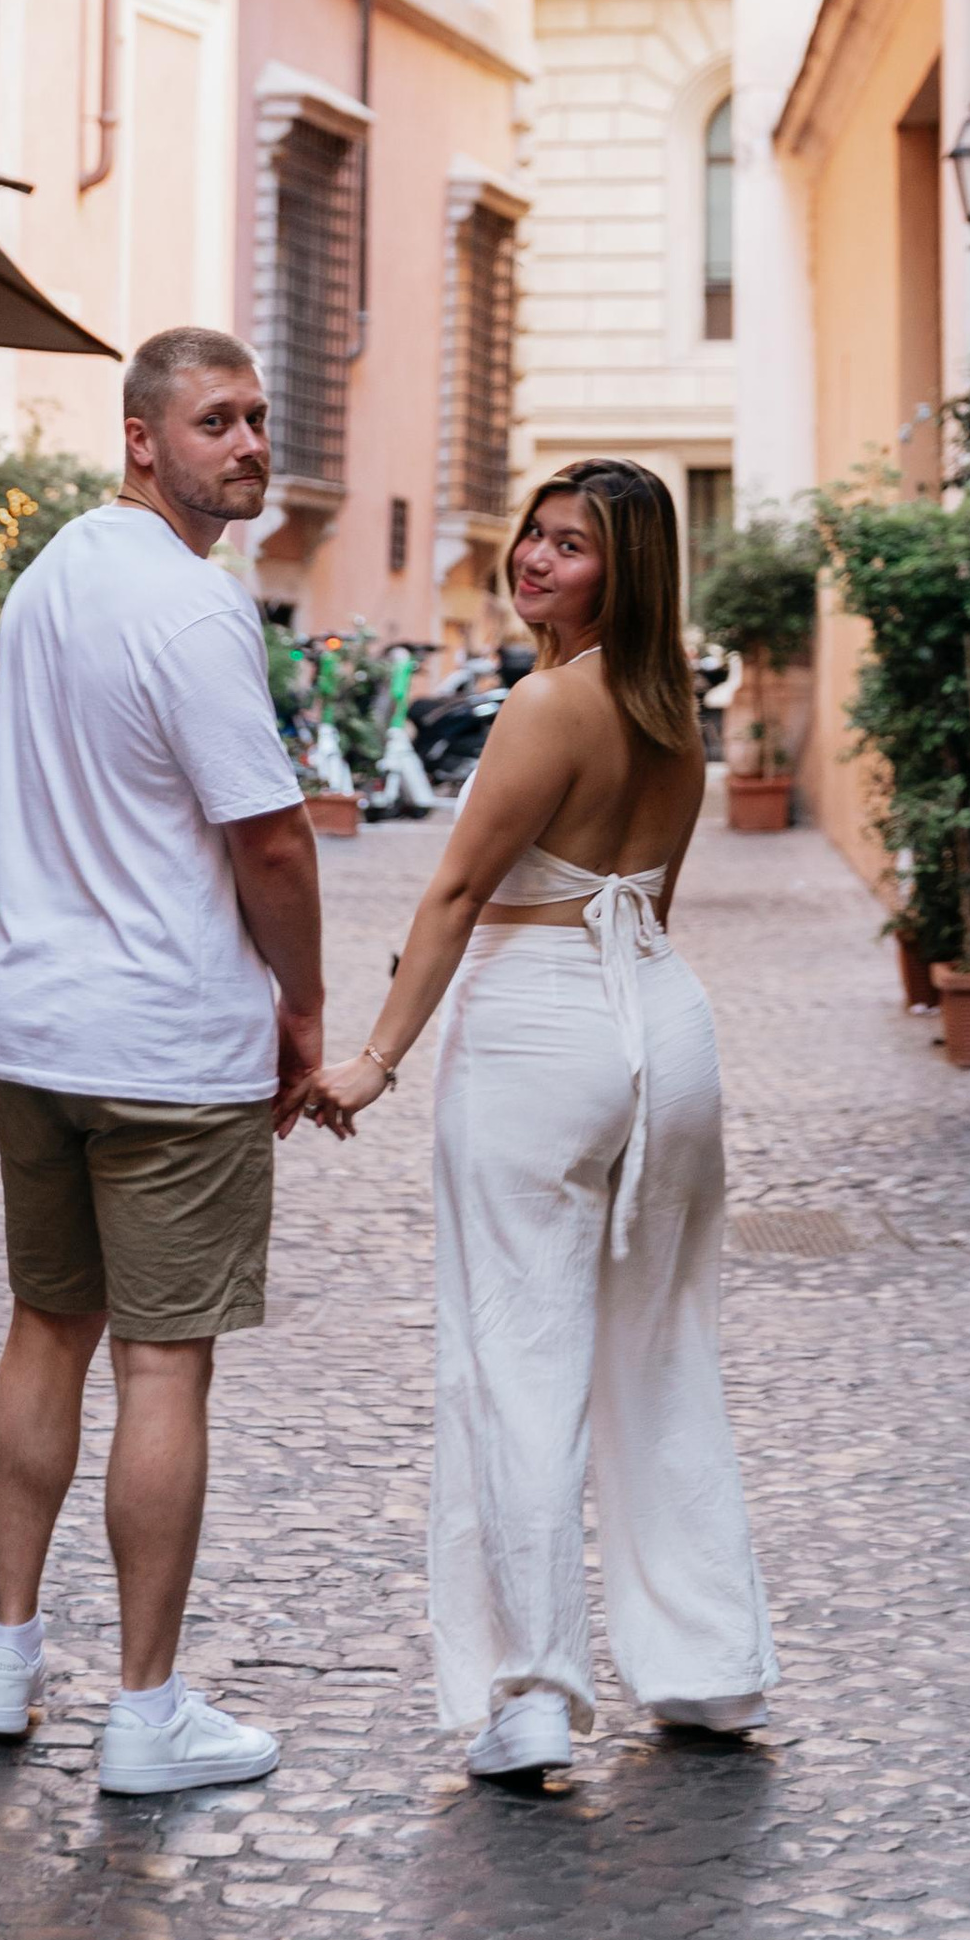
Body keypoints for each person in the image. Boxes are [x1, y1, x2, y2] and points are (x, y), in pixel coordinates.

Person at [309, 457, 776, 1784]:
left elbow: (459, 895)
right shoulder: (674, 717)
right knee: (665, 1351)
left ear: (622, 573)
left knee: (515, 1356)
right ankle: (708, 1667)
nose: (532, 557)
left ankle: (531, 1693)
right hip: (662, 1029)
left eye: (569, 546)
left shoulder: (547, 704)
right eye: (535, 533)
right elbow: (651, 904)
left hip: (541, 1026)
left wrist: (377, 1060)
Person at [0, 327, 324, 1796]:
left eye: (257, 419)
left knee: (46, 1328)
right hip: (170, 1042)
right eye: (215, 420)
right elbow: (272, 838)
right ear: (141, 438)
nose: (249, 445)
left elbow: (13, 794)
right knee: (163, 1364)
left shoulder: (46, 580)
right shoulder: (193, 605)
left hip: (38, 1028)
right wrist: (305, 1006)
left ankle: (4, 1658)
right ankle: (146, 1712)